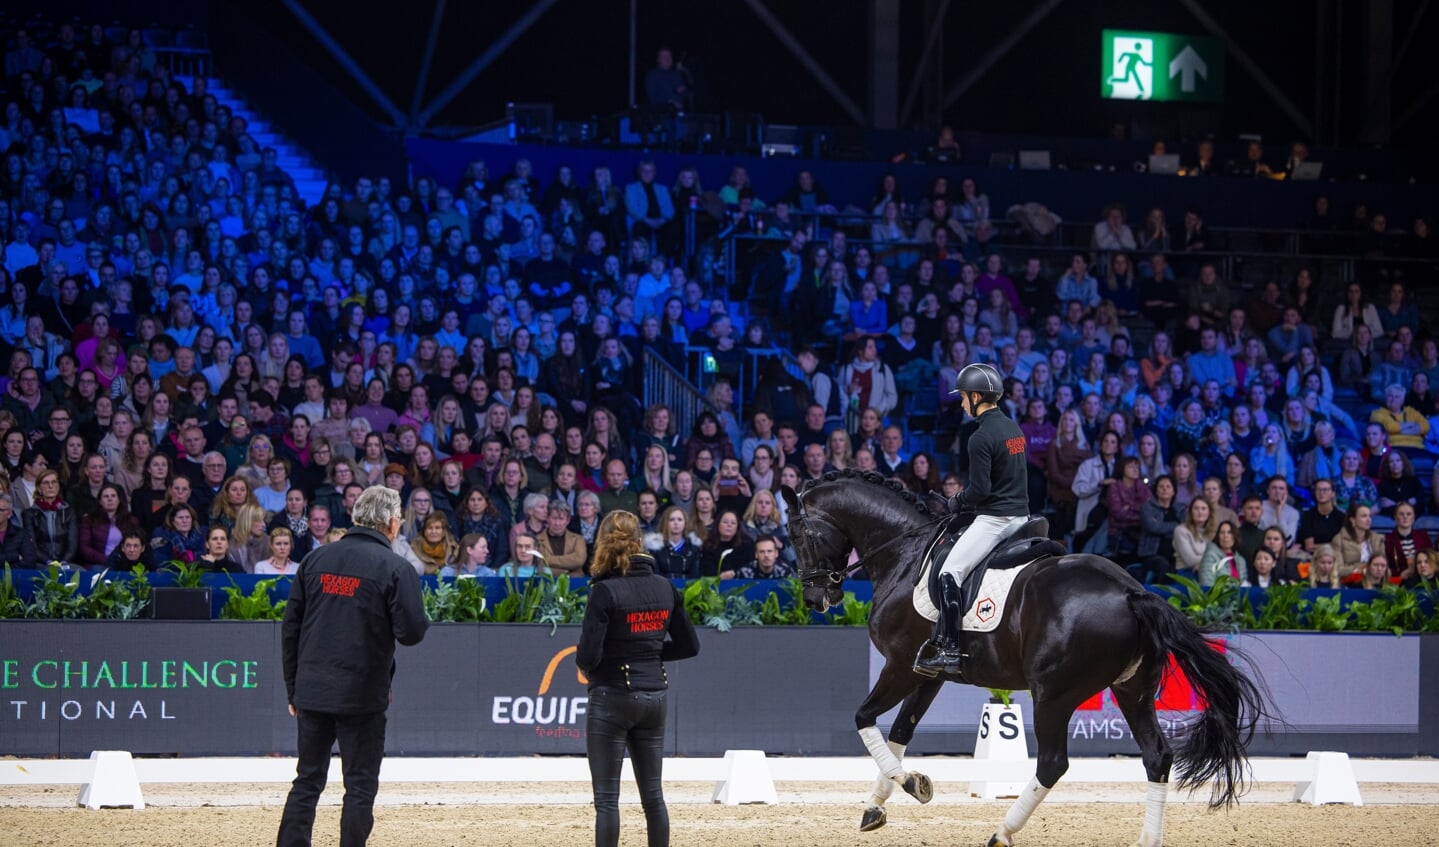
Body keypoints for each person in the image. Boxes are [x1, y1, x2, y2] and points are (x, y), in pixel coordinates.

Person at [277, 486, 428, 847]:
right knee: (359, 786)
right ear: (391, 523)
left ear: (358, 516)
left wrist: (293, 688)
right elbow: (411, 633)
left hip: (312, 690)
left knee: (307, 779)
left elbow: (291, 628)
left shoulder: (315, 560)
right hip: (362, 695)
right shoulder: (396, 567)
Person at [575, 509, 699, 847]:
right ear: (640, 542)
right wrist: (651, 653)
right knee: (654, 798)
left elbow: (587, 657)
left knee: (606, 801)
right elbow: (690, 645)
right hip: (655, 696)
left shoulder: (604, 591)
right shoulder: (665, 587)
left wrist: (612, 660)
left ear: (603, 542)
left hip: (612, 697)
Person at [916, 363, 1029, 675]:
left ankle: (950, 648)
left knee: (948, 573)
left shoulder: (980, 437)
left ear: (977, 396)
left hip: (996, 520)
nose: (962, 402)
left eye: (964, 397)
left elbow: (981, 489)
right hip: (1023, 515)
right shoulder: (1013, 429)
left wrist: (956, 501)